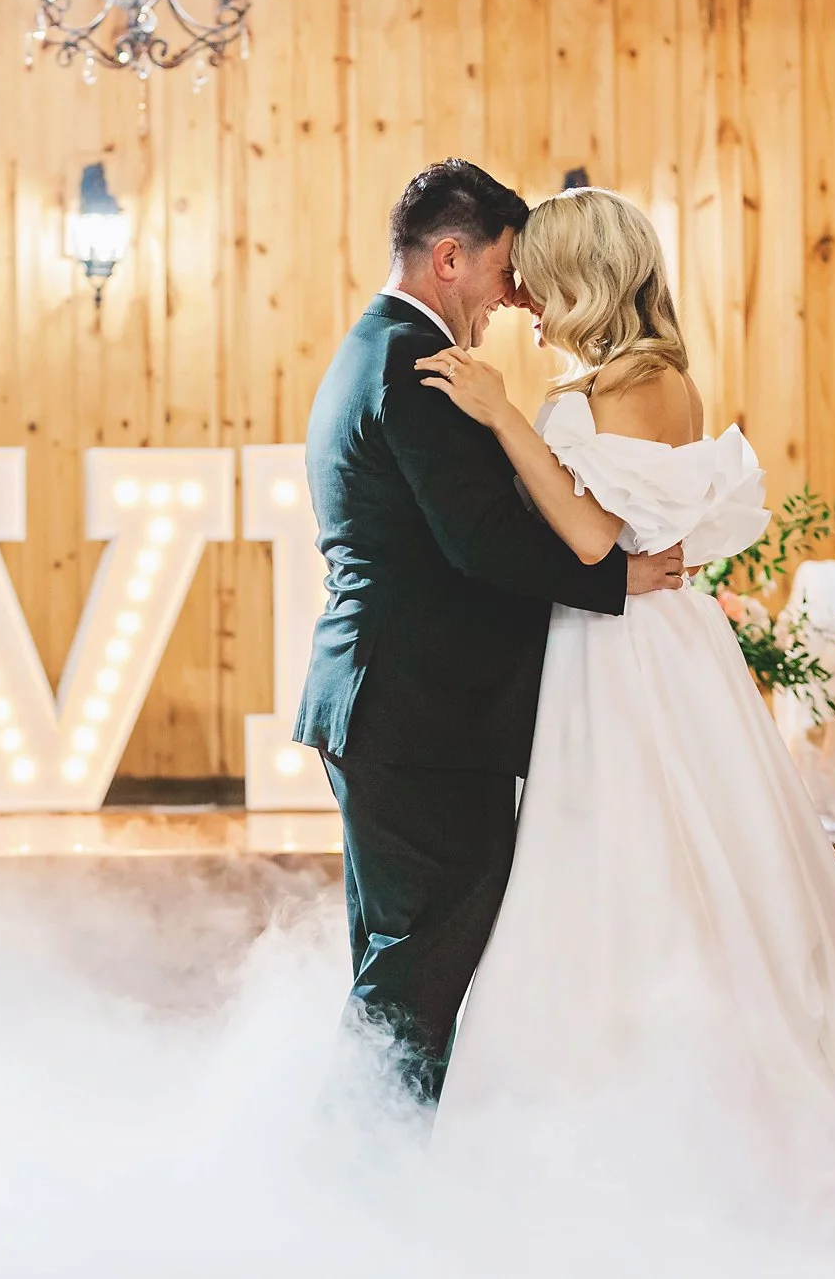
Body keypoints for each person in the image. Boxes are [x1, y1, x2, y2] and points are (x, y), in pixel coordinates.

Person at [415, 185, 835, 1216]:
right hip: (634, 641)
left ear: (582, 278)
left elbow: (593, 537)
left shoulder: (619, 386)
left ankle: (679, 1127)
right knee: (652, 860)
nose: (518, 297)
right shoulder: (630, 379)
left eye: (536, 278)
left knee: (638, 863)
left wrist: (502, 417)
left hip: (626, 654)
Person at [292, 160, 686, 1104]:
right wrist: (616, 577)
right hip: (419, 713)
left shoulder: (376, 344)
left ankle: (366, 1160)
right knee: (426, 952)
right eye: (505, 272)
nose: (515, 295)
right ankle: (364, 1167)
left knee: (401, 949)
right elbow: (480, 541)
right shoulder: (410, 360)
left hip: (389, 703)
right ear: (451, 257)